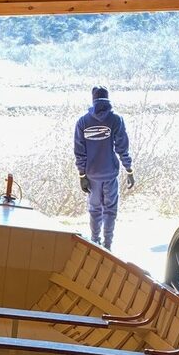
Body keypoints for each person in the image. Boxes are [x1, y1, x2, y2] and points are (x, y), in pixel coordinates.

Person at [74, 85, 134, 250]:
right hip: (109, 174)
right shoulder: (116, 120)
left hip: (92, 175)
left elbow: (79, 151)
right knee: (110, 210)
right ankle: (108, 245)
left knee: (94, 210)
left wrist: (82, 175)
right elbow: (122, 147)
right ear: (108, 99)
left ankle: (95, 243)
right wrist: (129, 169)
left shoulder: (83, 122)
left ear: (93, 100)